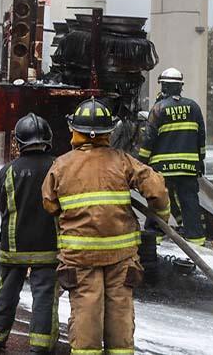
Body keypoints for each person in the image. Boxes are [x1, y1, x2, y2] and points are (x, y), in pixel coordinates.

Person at [42, 98, 169, 355]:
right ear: (108, 133)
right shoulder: (122, 161)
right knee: (120, 313)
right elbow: (155, 189)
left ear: (74, 130)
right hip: (121, 256)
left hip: (80, 257)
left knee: (86, 313)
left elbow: (49, 204)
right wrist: (161, 216)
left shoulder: (61, 166)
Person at [0, 113, 59, 354]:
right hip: (48, 246)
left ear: (19, 141)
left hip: (13, 246)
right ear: (47, 138)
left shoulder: (8, 171)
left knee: (6, 291)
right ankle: (40, 345)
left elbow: (2, 204)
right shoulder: (58, 167)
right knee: (45, 296)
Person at [137, 68, 207, 246]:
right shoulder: (194, 107)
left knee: (159, 200)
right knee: (190, 202)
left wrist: (141, 163)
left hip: (163, 168)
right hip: (189, 167)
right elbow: (201, 137)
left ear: (165, 86)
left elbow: (149, 140)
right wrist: (200, 160)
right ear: (180, 87)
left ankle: (155, 238)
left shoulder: (159, 108)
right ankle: (196, 240)